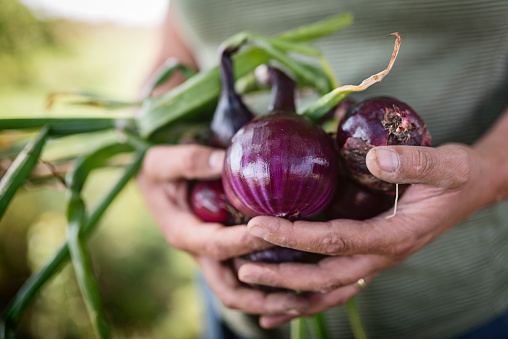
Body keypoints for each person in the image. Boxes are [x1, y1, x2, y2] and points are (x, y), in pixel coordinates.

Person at [137, 1, 508, 338]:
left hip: (455, 308)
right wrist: (153, 153)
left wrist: (489, 172)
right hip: (234, 314)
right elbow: (176, 54)